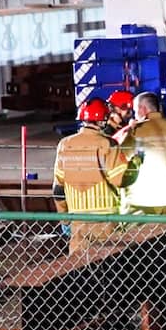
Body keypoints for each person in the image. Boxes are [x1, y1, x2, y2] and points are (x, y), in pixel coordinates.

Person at [52, 97, 126, 252]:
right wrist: (136, 163)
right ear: (102, 121)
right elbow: (120, 179)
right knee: (109, 270)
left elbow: (58, 190)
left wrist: (65, 220)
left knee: (80, 272)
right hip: (107, 223)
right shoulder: (108, 144)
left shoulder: (64, 145)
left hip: (78, 223)